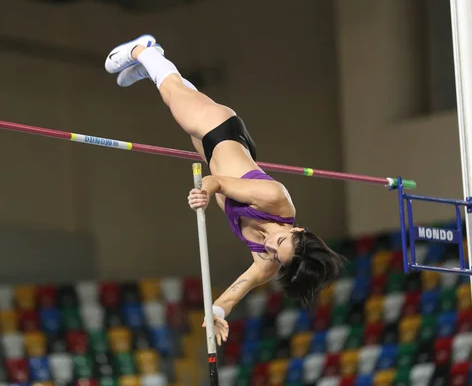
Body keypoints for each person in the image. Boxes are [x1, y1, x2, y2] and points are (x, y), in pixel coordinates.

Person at [104, 35, 346, 346]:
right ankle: (144, 50)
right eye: (280, 240)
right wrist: (203, 192)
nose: (270, 245)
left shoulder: (268, 261)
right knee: (172, 94)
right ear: (298, 228)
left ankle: (149, 69)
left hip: (215, 153)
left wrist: (218, 311)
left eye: (275, 254)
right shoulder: (275, 199)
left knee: (182, 94)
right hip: (219, 131)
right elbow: (217, 183)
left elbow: (236, 291)